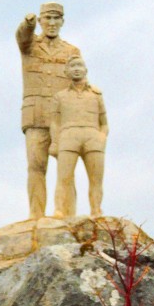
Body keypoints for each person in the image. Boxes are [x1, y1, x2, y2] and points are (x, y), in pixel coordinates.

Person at [16, 2, 81, 219]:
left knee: (66, 167)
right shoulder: (30, 45)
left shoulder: (72, 51)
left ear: (62, 21)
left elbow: (79, 82)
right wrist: (28, 23)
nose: (52, 23)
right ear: (41, 21)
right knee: (36, 166)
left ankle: (67, 214)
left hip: (63, 117)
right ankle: (36, 216)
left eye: (56, 18)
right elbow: (22, 36)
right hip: (35, 115)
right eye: (47, 18)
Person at [49, 55, 107, 218]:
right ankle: (59, 209)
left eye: (79, 66)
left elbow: (104, 122)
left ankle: (96, 209)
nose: (76, 69)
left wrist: (102, 137)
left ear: (85, 70)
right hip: (69, 135)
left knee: (96, 179)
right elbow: (55, 122)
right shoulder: (60, 96)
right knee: (63, 177)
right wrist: (55, 142)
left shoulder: (96, 95)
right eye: (72, 66)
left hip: (92, 136)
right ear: (66, 71)